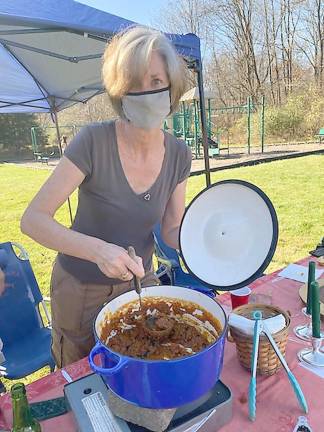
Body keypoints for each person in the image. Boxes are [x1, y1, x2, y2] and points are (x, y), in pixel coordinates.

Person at [21, 26, 191, 368]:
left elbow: (173, 230)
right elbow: (33, 220)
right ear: (119, 91)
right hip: (80, 287)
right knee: (81, 373)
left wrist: (215, 241)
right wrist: (98, 250)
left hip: (141, 283)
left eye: (156, 81)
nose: (146, 92)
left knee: (145, 364)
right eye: (134, 83)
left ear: (172, 86)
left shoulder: (179, 154)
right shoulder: (93, 142)